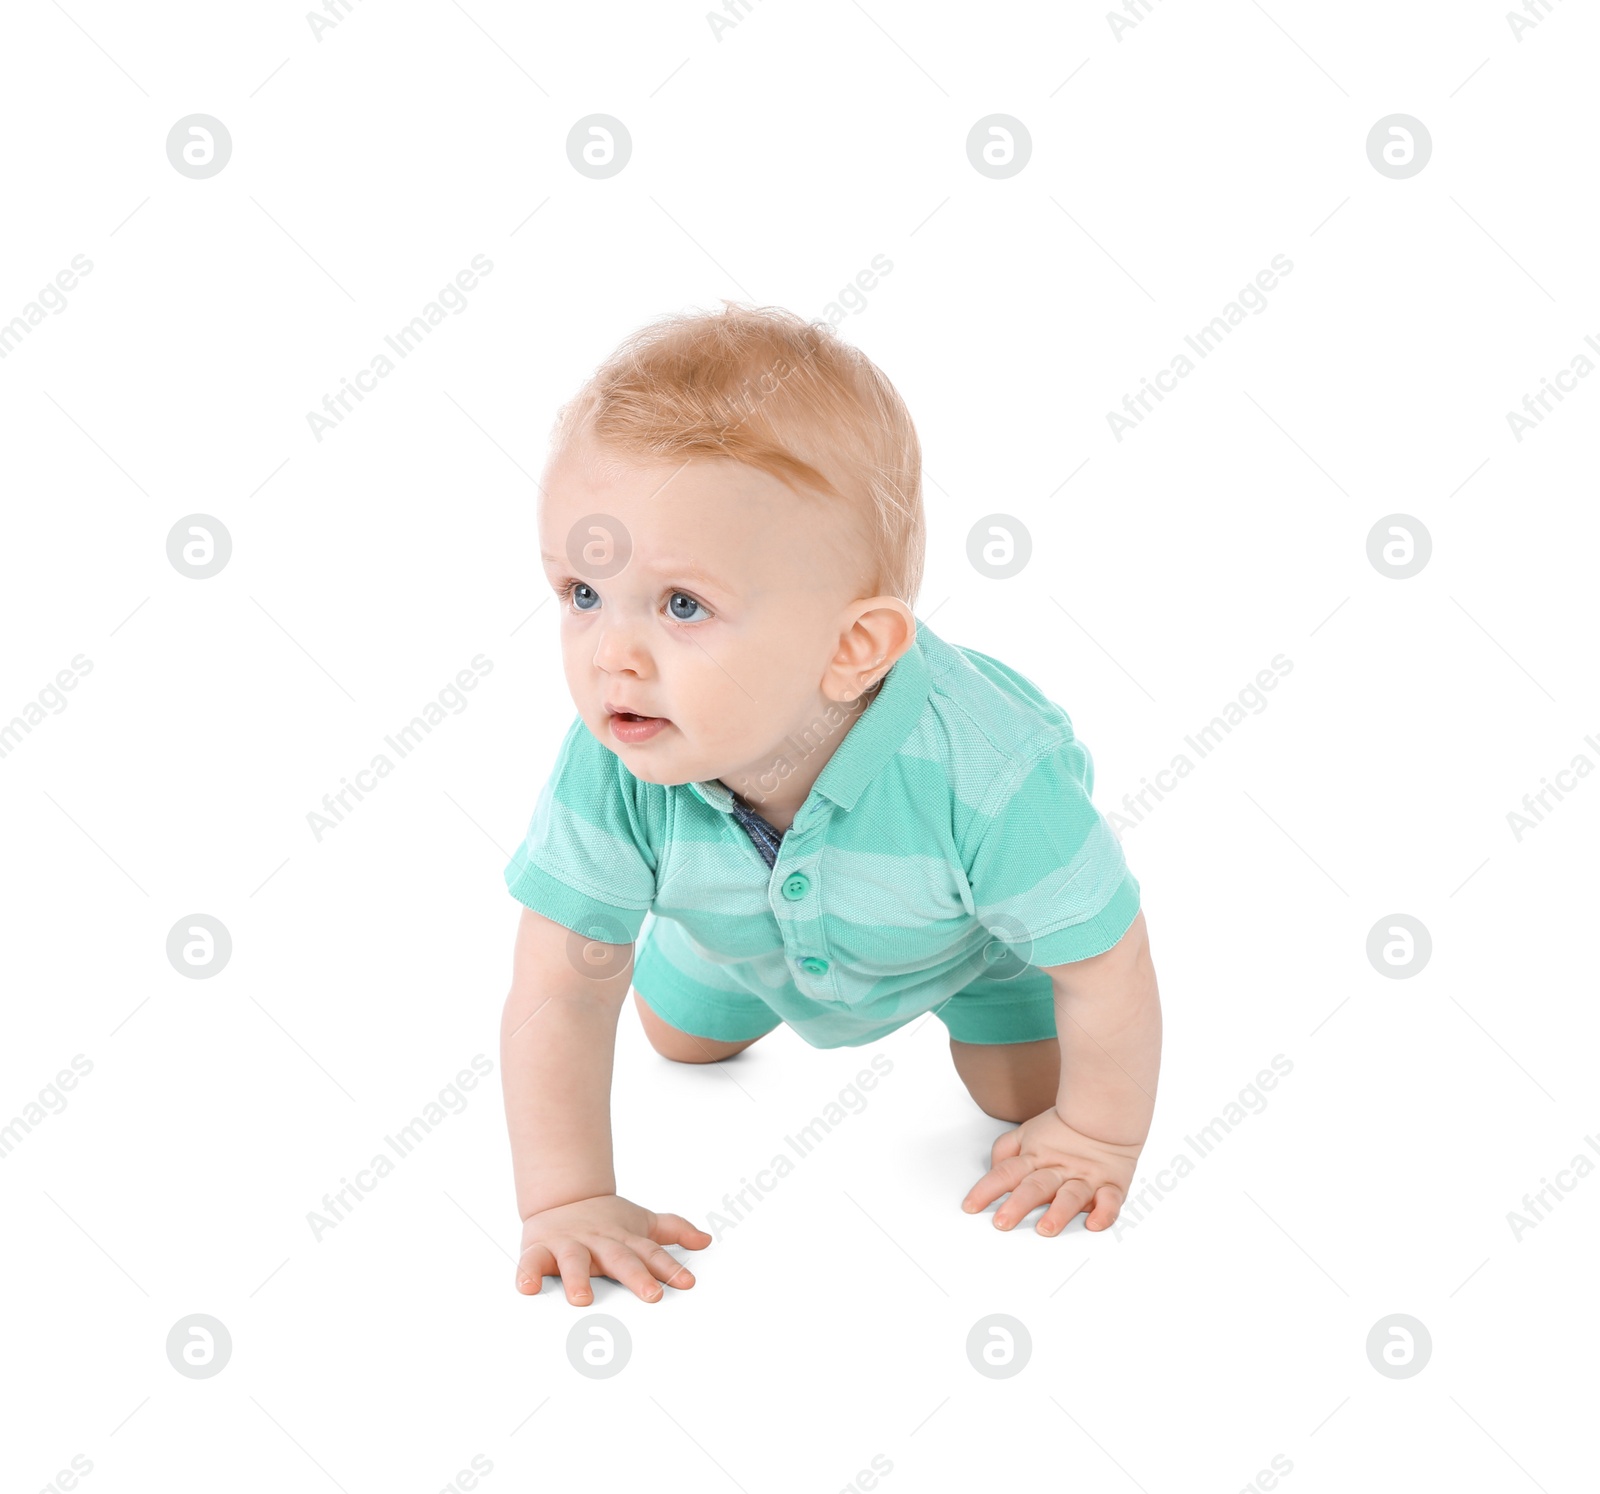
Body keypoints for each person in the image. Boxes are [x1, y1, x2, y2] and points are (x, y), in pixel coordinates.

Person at [500, 303, 1161, 1305]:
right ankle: (707, 948)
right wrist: (566, 1200)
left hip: (959, 945)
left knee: (1020, 1099)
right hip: (740, 937)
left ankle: (982, 1007)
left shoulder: (988, 769)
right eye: (583, 593)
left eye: (682, 606)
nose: (610, 656)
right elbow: (559, 989)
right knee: (679, 1038)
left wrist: (1097, 1135)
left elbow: (1105, 953)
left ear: (853, 649)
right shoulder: (622, 754)